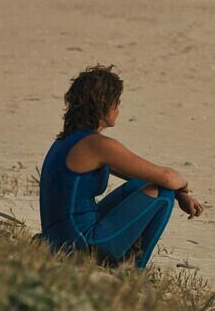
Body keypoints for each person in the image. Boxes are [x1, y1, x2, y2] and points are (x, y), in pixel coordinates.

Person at [39, 64, 203, 268]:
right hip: (81, 244)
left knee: (143, 183)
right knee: (163, 192)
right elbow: (168, 177)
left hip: (56, 239)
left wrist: (181, 194)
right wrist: (183, 187)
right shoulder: (96, 145)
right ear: (102, 104)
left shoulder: (68, 141)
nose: (118, 109)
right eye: (116, 102)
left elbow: (146, 176)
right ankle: (135, 271)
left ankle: (127, 264)